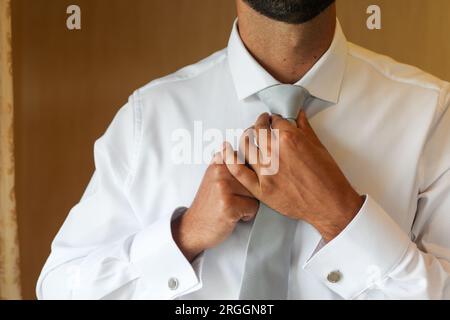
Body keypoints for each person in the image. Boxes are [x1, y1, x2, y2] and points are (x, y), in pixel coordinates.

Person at [37, 0, 450, 299]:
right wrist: (184, 236)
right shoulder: (150, 117)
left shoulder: (432, 112)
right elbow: (59, 288)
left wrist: (339, 215)